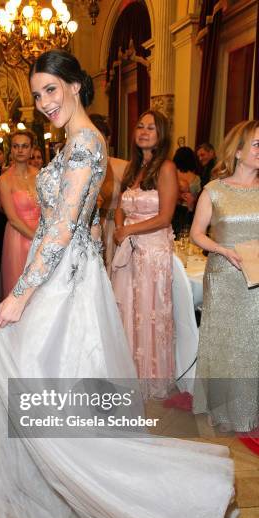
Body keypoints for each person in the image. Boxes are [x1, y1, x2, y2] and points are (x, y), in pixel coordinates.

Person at [0, 51, 235, 518]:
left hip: (66, 284)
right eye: (38, 94)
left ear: (74, 85)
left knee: (46, 381)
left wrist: (21, 295)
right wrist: (31, 282)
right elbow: (69, 224)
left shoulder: (86, 143)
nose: (45, 102)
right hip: (66, 275)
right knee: (47, 384)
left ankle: (118, 487)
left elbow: (64, 228)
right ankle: (48, 480)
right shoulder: (75, 140)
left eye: (51, 89)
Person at [191, 120, 259, 434]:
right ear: (239, 149)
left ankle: (250, 409)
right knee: (224, 344)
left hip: (256, 277)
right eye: (257, 144)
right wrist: (222, 249)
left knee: (252, 344)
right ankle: (222, 408)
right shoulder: (214, 190)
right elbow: (196, 235)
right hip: (223, 275)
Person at [111, 110, 177, 399]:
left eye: (151, 127)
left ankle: (151, 378)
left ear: (161, 135)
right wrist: (119, 226)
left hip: (153, 252)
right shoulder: (132, 168)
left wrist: (129, 231)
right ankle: (128, 374)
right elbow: (119, 206)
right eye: (140, 126)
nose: (144, 131)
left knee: (148, 313)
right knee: (126, 309)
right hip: (129, 250)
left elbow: (165, 216)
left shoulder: (166, 168)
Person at [0, 130, 40, 299]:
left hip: (41, 230)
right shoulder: (5, 180)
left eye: (24, 146)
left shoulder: (40, 175)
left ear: (31, 150)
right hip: (18, 237)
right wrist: (38, 239)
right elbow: (13, 219)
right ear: (11, 150)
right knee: (21, 288)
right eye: (16, 146)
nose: (20, 150)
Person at [89, 113, 128, 276]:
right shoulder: (82, 168)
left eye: (101, 136)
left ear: (108, 139)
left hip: (116, 227)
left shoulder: (123, 167)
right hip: (91, 228)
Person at [172, 146, 201, 238]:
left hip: (173, 211)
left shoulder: (172, 174)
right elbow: (198, 198)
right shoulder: (196, 178)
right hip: (189, 212)